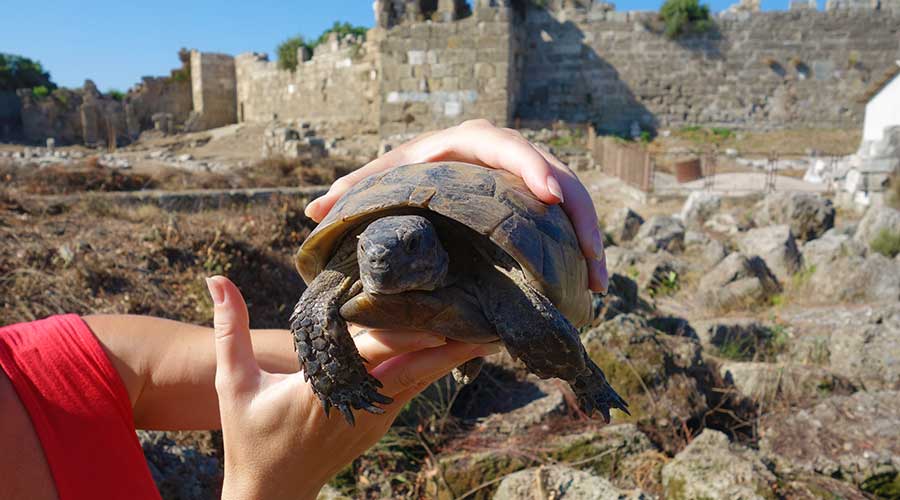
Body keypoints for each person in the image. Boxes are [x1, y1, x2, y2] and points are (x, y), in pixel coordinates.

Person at [0, 120, 608, 500]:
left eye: (405, 251)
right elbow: (317, 323)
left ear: (431, 249)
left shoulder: (48, 370)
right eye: (368, 255)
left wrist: (420, 163)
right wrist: (268, 487)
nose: (380, 266)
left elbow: (309, 346)